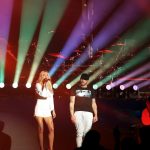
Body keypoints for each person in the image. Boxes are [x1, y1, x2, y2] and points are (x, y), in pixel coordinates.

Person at [70, 73, 98, 148]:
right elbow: (71, 102)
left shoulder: (91, 89)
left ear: (87, 81)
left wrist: (96, 114)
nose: (82, 80)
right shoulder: (74, 88)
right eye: (82, 79)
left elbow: (94, 103)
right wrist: (72, 115)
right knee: (79, 132)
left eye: (84, 79)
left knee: (87, 133)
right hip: (77, 112)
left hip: (89, 113)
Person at [34, 70, 56, 150]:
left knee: (51, 129)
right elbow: (43, 95)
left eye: (47, 75)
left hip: (47, 109)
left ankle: (51, 148)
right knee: (41, 129)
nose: (45, 76)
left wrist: (53, 110)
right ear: (41, 76)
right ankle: (42, 148)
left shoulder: (49, 84)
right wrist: (47, 86)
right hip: (39, 108)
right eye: (43, 75)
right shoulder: (38, 85)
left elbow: (51, 98)